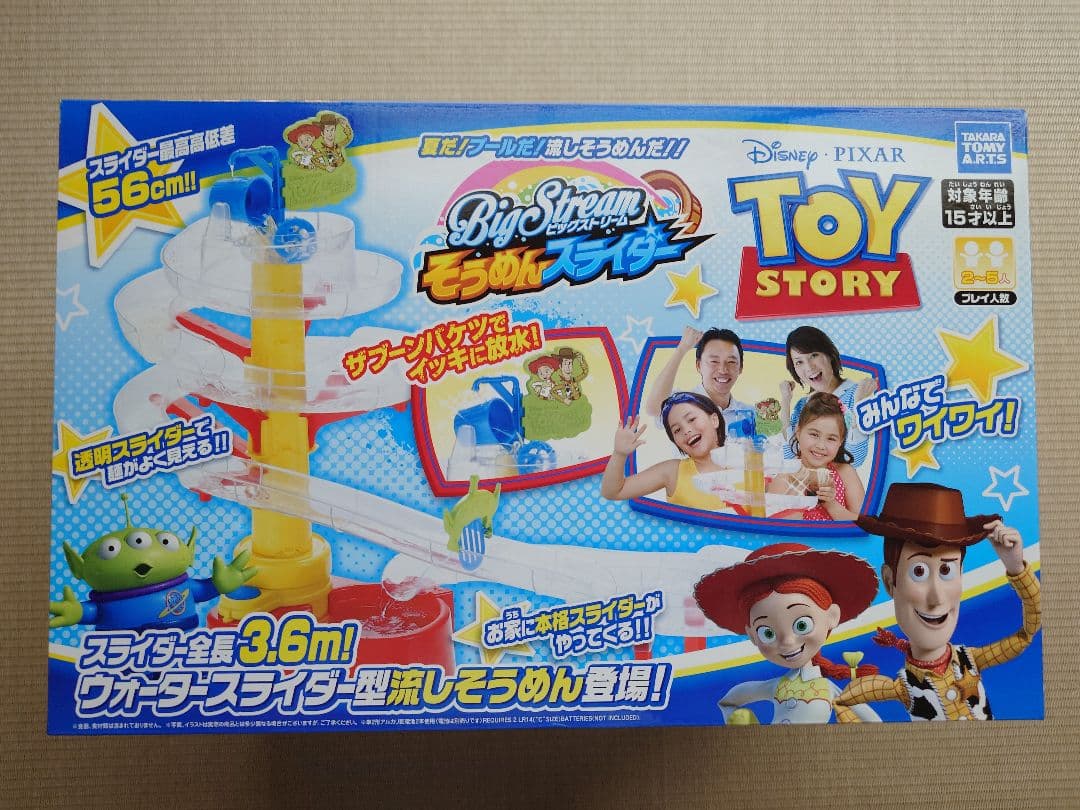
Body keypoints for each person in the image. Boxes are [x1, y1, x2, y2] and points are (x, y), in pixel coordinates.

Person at [834, 483, 1041, 721]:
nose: (937, 597)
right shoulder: (904, 685)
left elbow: (1028, 634)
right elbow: (840, 701)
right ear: (891, 582)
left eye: (946, 570)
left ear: (961, 574)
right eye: (919, 571)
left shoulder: (970, 660)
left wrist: (1016, 567)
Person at [693, 543, 882, 724]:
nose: (787, 642)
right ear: (752, 636)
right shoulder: (776, 686)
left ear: (831, 616)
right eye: (767, 633)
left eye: (802, 625)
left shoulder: (827, 690)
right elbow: (727, 702)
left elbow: (874, 722)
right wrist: (742, 723)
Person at [600, 392, 726, 509]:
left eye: (691, 419)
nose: (686, 430)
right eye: (677, 430)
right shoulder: (672, 472)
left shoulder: (739, 458)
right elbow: (613, 492)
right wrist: (619, 454)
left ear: (714, 420)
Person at [779, 325, 877, 466]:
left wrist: (859, 406)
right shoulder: (802, 405)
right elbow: (791, 456)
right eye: (799, 362)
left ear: (829, 355)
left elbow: (855, 460)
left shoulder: (859, 394)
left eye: (814, 355)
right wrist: (785, 401)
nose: (809, 367)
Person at [767, 392, 864, 521]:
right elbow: (782, 529)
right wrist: (797, 492)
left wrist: (830, 504)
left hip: (839, 535)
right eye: (814, 434)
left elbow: (865, 525)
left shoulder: (845, 473)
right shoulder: (785, 477)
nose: (821, 445)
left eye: (831, 438)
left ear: (840, 442)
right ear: (798, 431)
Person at [644, 327, 752, 426]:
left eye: (731, 362)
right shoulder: (682, 404)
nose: (723, 370)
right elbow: (654, 408)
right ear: (699, 365)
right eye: (714, 361)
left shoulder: (750, 415)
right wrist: (681, 349)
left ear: (740, 367)